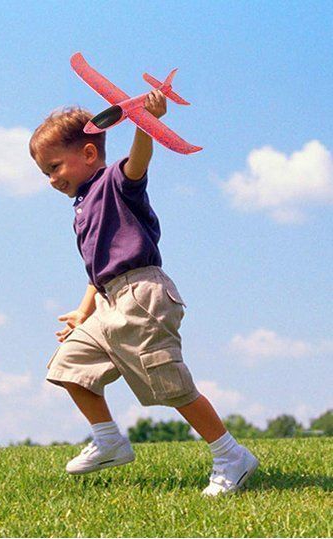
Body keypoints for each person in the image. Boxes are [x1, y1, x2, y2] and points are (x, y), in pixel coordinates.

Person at [29, 95, 258, 496]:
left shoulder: (116, 183)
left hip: (143, 295)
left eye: (54, 167)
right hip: (109, 300)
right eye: (44, 172)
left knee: (171, 385)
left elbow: (138, 162)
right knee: (69, 364)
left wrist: (144, 122)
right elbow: (99, 270)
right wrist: (83, 312)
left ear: (87, 153)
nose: (51, 179)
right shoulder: (83, 207)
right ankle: (109, 440)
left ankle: (230, 455)